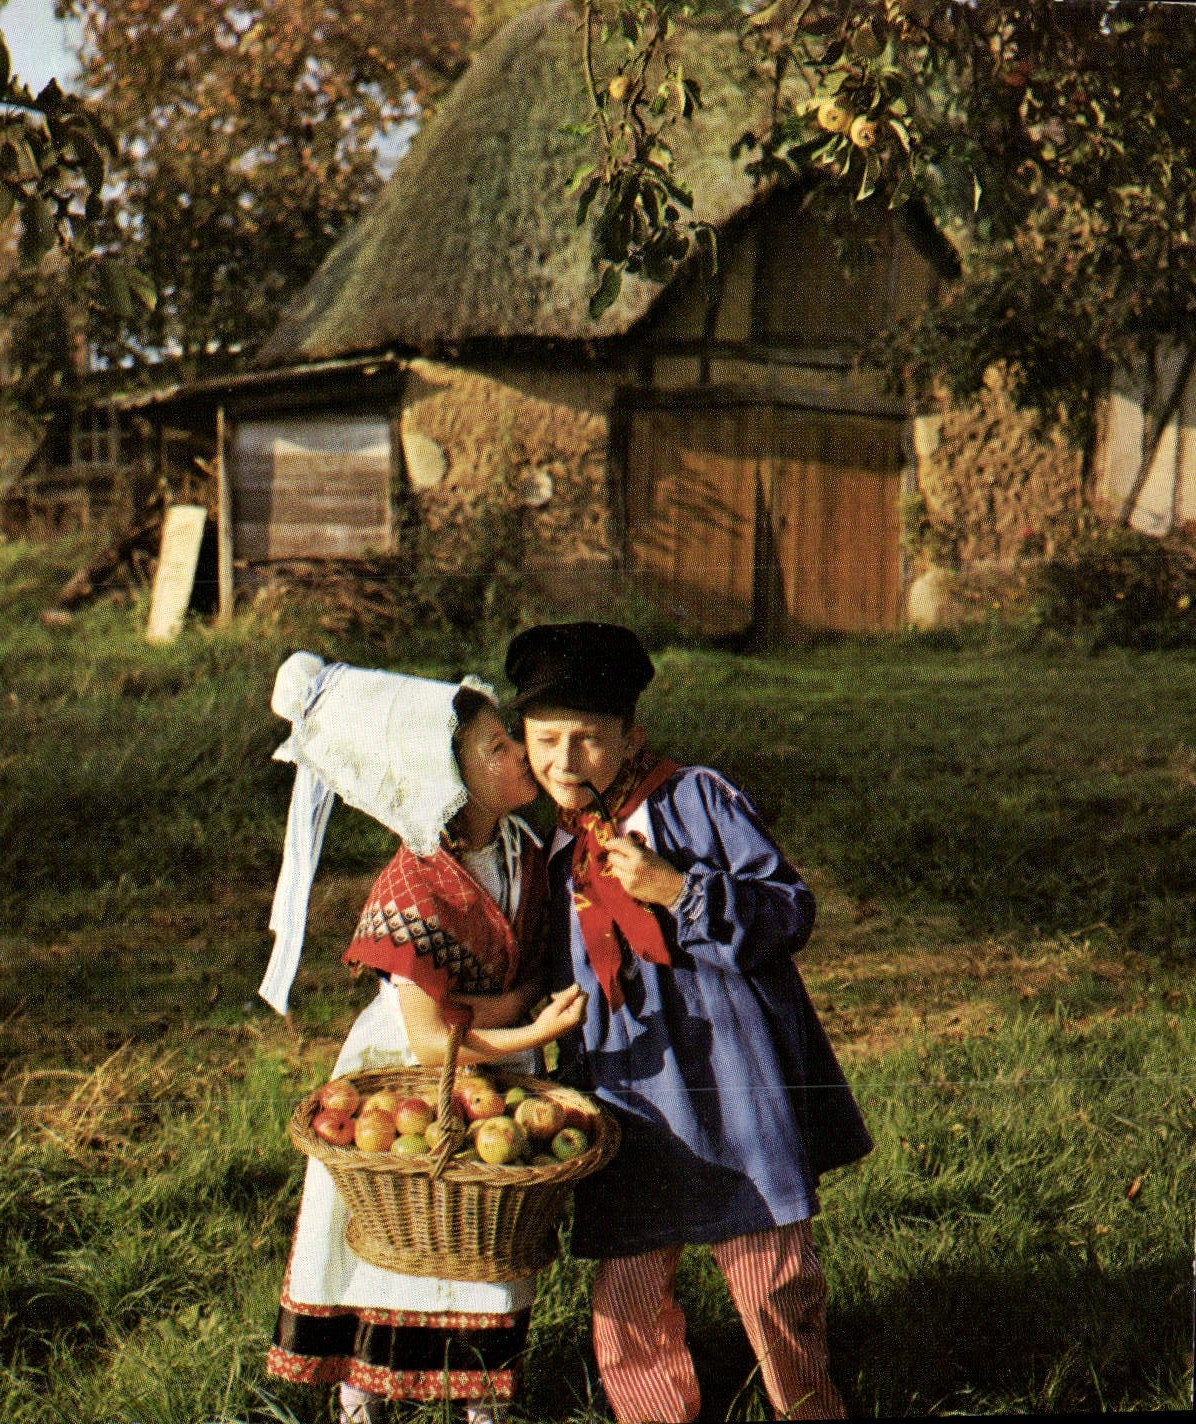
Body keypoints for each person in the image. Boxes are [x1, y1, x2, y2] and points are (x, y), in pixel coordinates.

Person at [504, 622, 872, 1423]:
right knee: (628, 1296)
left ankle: (808, 1406)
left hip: (732, 1081)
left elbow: (791, 911)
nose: (565, 763)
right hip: (630, 1094)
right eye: (545, 741)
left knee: (773, 1273)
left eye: (589, 741)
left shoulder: (697, 799)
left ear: (632, 734)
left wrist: (680, 891)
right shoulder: (543, 846)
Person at [258, 652, 586, 1424]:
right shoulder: (413, 883)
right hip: (416, 1071)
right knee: (403, 1228)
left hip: (495, 1064)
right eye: (497, 747)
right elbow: (427, 1036)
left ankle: (478, 1390)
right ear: (446, 777)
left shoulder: (522, 852)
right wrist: (530, 1023)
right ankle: (364, 1390)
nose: (518, 753)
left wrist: (520, 1014)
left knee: (486, 1228)